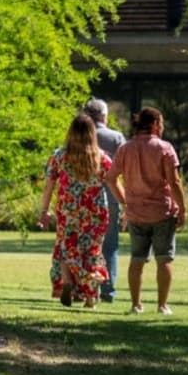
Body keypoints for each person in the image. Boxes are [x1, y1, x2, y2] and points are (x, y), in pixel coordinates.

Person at [106, 106, 186, 315]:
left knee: (137, 259)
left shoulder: (125, 148)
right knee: (164, 259)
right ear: (155, 124)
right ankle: (162, 305)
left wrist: (124, 202)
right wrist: (182, 209)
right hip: (162, 212)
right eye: (161, 123)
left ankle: (136, 304)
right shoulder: (164, 148)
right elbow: (175, 182)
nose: (162, 127)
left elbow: (111, 178)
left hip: (135, 213)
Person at [37, 114, 119, 309]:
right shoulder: (102, 158)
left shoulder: (59, 156)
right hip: (95, 213)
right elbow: (113, 183)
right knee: (92, 252)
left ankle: (67, 281)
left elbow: (49, 186)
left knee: (66, 248)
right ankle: (90, 299)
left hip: (69, 210)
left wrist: (44, 211)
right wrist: (126, 205)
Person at [84, 98, 127, 302]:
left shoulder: (79, 138)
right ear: (104, 116)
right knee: (110, 245)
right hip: (110, 196)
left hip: (83, 198)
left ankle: (84, 286)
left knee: (83, 243)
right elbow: (126, 168)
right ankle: (107, 289)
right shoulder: (115, 137)